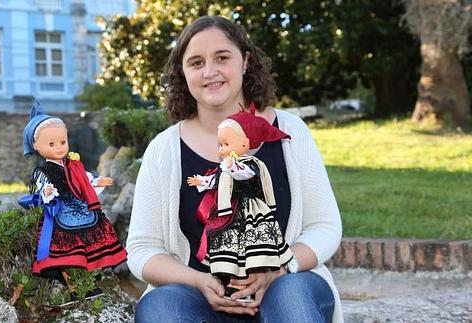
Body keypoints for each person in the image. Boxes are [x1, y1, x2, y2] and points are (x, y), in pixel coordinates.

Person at [126, 15, 342, 322]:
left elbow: (325, 227)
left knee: (291, 297)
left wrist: (281, 268)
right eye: (196, 62)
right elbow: (142, 250)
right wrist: (198, 281)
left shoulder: (291, 132)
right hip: (199, 298)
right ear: (183, 73)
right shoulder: (164, 149)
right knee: (161, 308)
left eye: (222, 58)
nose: (210, 72)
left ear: (245, 61)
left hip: (287, 284)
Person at [187, 103, 293, 302]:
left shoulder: (250, 164)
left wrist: (232, 167)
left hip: (250, 210)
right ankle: (233, 283)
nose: (221, 150)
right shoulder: (225, 167)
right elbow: (216, 182)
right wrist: (201, 181)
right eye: (220, 145)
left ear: (245, 144)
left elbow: (246, 176)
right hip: (230, 213)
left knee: (252, 246)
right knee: (233, 249)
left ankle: (252, 278)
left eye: (226, 144)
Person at [20, 102, 127, 284]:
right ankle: (72, 284)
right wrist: (47, 192)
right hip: (61, 211)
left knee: (90, 244)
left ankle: (90, 279)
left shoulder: (73, 165)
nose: (60, 147)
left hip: (82, 207)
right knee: (68, 251)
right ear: (36, 146)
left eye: (63, 142)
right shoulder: (43, 171)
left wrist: (97, 181)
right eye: (52, 144)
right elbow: (43, 190)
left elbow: (84, 180)